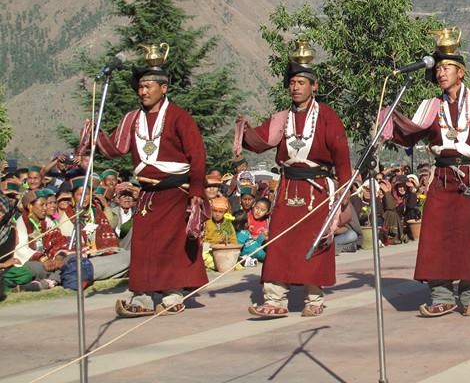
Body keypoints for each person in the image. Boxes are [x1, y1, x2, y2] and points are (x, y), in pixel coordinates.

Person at [383, 27, 470, 317]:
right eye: (439, 68)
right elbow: (410, 134)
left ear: (461, 72)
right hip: (443, 178)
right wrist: (387, 121)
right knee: (435, 235)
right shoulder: (430, 106)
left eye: (447, 67)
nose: (441, 73)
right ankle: (441, 295)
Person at [237, 44, 352, 318]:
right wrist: (245, 130)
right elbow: (260, 140)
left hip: (318, 190)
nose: (295, 87)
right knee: (279, 242)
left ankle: (313, 298)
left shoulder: (328, 117)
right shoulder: (281, 119)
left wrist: (345, 189)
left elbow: (342, 156)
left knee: (316, 240)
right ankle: (275, 299)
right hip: (288, 188)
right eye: (292, 83)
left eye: (301, 82)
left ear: (314, 86)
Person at [91, 47, 208, 317]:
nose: (143, 92)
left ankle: (172, 294)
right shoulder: (133, 119)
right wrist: (93, 135)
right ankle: (142, 297)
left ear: (163, 88)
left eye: (148, 86)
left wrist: (197, 193)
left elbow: (197, 155)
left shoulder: (180, 117)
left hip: (176, 191)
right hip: (147, 193)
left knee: (171, 244)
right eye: (141, 87)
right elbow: (116, 147)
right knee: (142, 244)